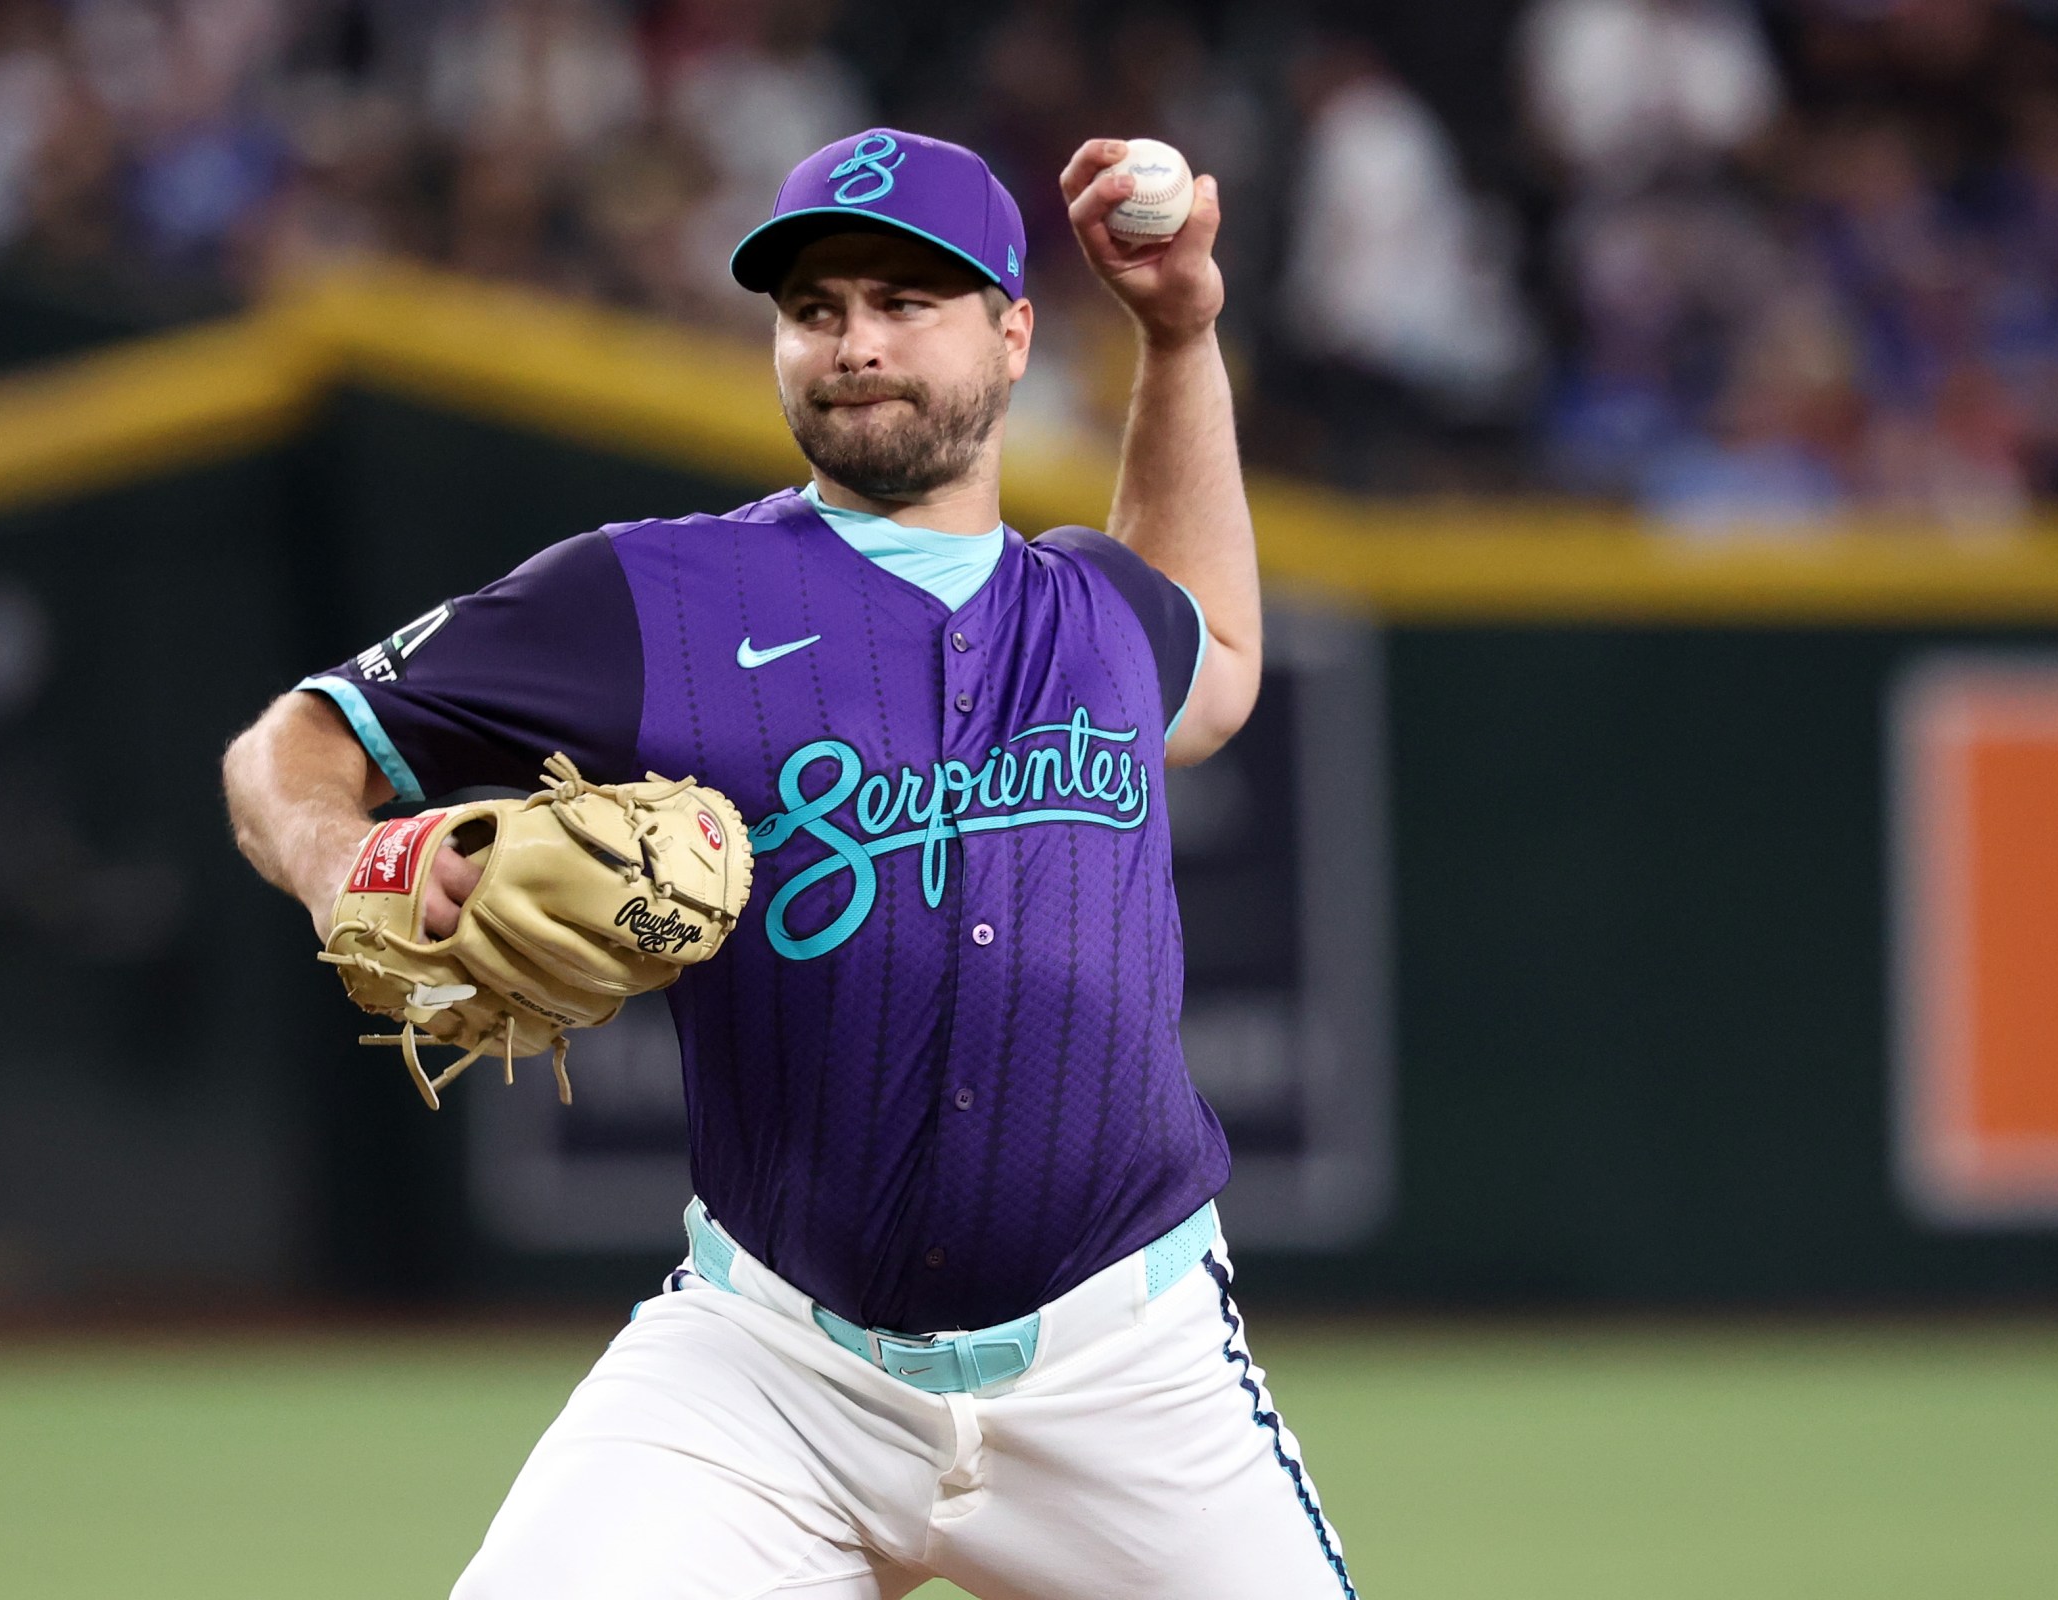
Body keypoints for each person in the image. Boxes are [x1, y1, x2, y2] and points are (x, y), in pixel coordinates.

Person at [222, 127, 1355, 1600]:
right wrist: (348, 862)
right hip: (770, 1376)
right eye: (815, 309)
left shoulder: (1098, 612)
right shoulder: (649, 590)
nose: (855, 343)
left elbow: (1224, 657)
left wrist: (1178, 329)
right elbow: (293, 745)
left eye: (904, 302)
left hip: (1128, 1374)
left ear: (1014, 336)